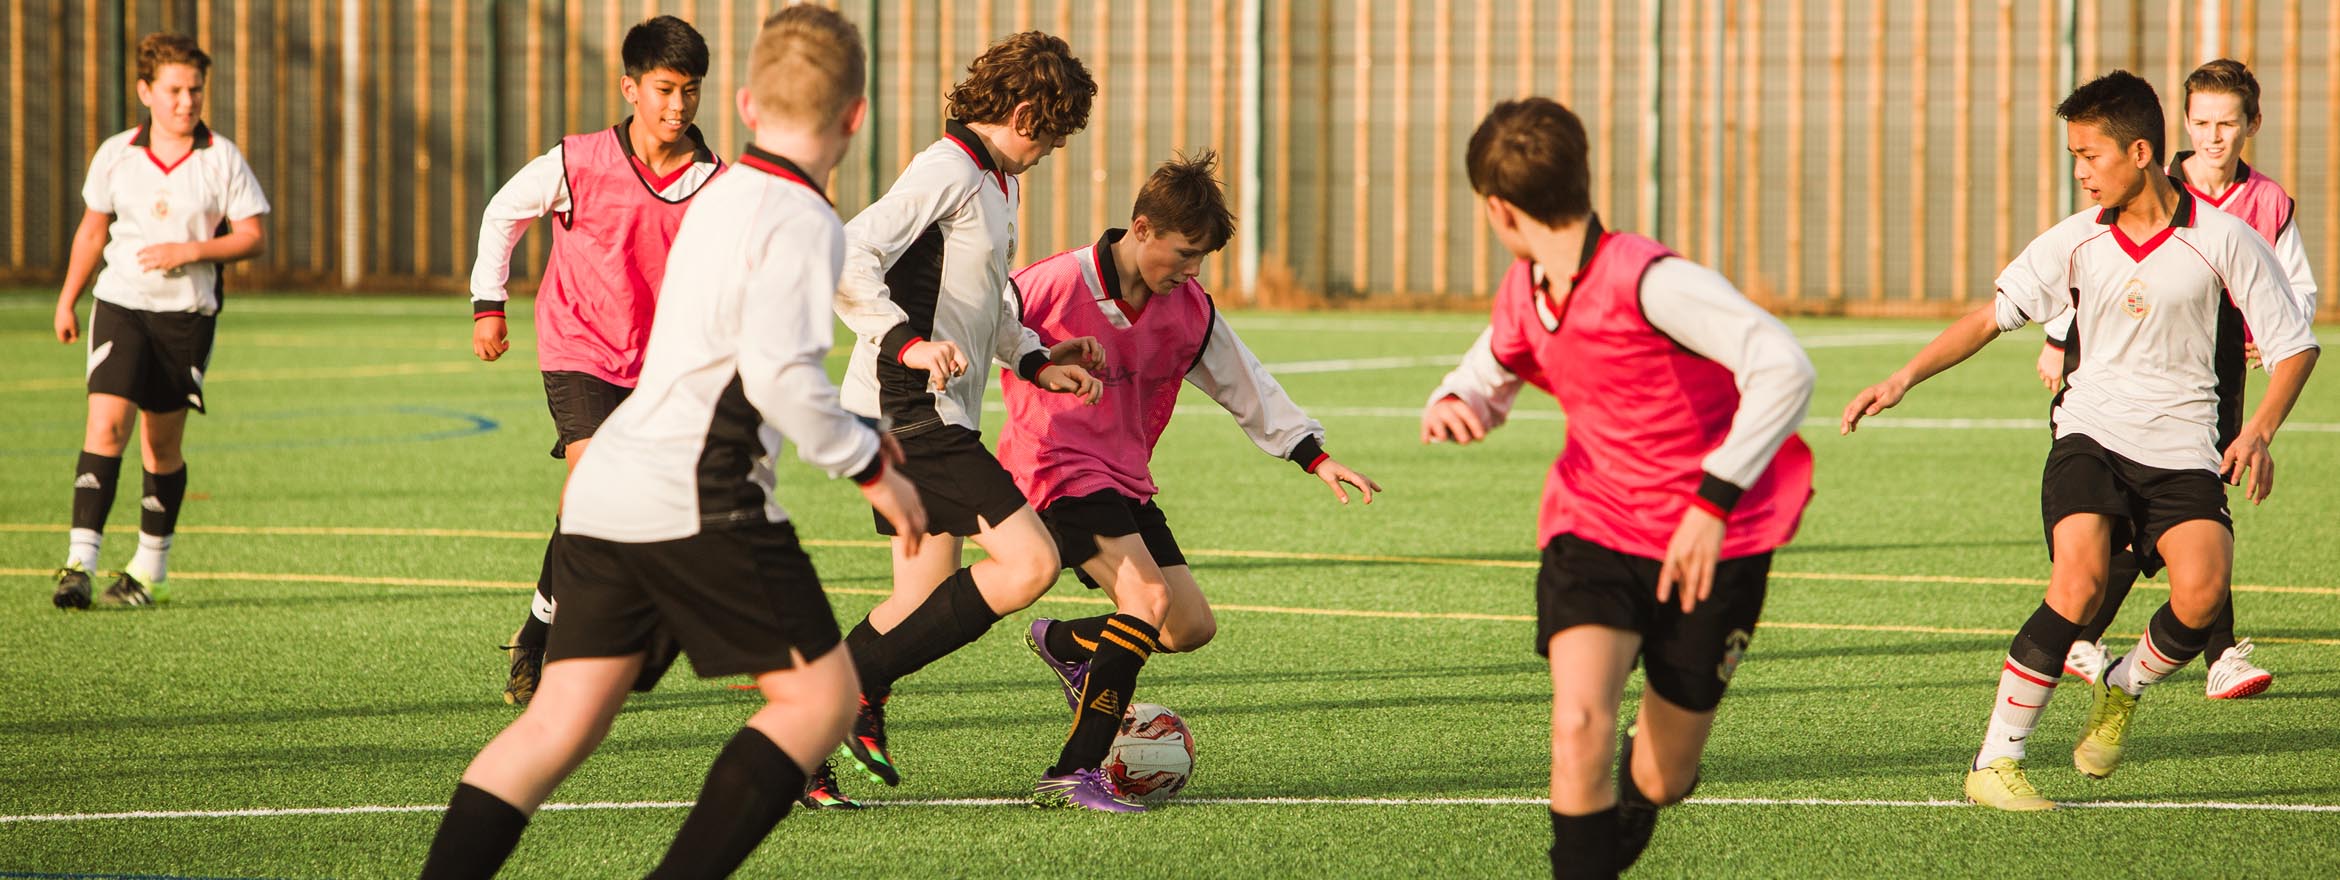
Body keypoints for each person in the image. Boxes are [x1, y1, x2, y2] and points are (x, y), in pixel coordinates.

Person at [416, 8, 917, 877]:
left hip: (611, 482)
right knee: (824, 699)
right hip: (698, 491)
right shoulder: (800, 215)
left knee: (557, 723)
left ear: (749, 104)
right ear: (856, 117)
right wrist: (872, 464)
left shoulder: (716, 194)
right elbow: (779, 378)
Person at [1842, 70, 2318, 812]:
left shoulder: (2225, 239)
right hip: (2090, 434)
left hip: (2186, 445)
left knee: (2201, 595)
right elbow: (1987, 317)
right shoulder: (2075, 241)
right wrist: (1902, 378)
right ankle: (1996, 762)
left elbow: (2296, 346)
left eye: (2089, 156)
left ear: (2138, 152)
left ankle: (2123, 688)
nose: (2079, 171)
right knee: (2079, 582)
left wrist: (2258, 429)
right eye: (2074, 156)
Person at [1422, 98, 1815, 878]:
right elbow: (1492, 362)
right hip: (1593, 524)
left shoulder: (1653, 280)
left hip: (1714, 542)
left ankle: (1632, 808)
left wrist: (1711, 502)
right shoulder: (1526, 285)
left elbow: (1784, 366)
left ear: (1497, 209)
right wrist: (1459, 399)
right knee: (1577, 724)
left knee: (1662, 776)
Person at [1004, 151, 1381, 811]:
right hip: (1053, 467)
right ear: (1141, 228)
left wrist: (1312, 453)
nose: (1191, 270)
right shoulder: (1051, 283)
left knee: (1185, 627)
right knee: (1145, 600)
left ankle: (1064, 643)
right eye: (1183, 253)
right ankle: (1072, 771)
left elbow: (1246, 380)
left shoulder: (1189, 309)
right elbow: (973, 330)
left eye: (1201, 258)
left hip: (1123, 478)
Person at [825, 31, 1106, 798]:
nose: (1048, 152)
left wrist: (1038, 358)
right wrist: (908, 342)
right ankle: (847, 696)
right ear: (1020, 113)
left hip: (932, 409)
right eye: (1049, 136)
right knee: (1032, 562)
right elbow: (849, 254)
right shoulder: (946, 170)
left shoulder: (997, 183)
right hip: (906, 410)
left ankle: (800, 740)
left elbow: (990, 298)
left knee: (918, 601)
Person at [467, 14, 726, 710]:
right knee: (595, 479)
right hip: (579, 345)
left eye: (691, 92)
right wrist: (487, 304)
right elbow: (503, 213)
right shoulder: (577, 159)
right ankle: (568, 644)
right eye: (665, 89)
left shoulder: (716, 182)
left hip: (661, 367)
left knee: (607, 505)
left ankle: (539, 628)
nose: (677, 106)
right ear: (630, 88)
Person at [2039, 59, 2316, 700]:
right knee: (2145, 521)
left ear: (2252, 124)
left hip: (2214, 379)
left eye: (2228, 123)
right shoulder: (2148, 186)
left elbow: (2295, 294)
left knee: (2197, 515)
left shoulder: (2266, 203)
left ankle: (2154, 644)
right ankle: (2201, 650)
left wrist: (2270, 337)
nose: (2214, 136)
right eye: (2202, 122)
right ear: (2182, 126)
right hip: (2127, 380)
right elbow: (2088, 271)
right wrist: (2058, 339)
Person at [50, 32, 268, 610]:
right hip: (121, 305)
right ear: (146, 91)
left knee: (160, 444)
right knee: (106, 427)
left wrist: (188, 251)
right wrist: (68, 298)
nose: (186, 101)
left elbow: (252, 236)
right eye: (174, 90)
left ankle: (150, 569)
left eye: (194, 90)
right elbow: (93, 230)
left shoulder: (221, 156)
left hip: (186, 319)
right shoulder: (117, 152)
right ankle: (79, 563)